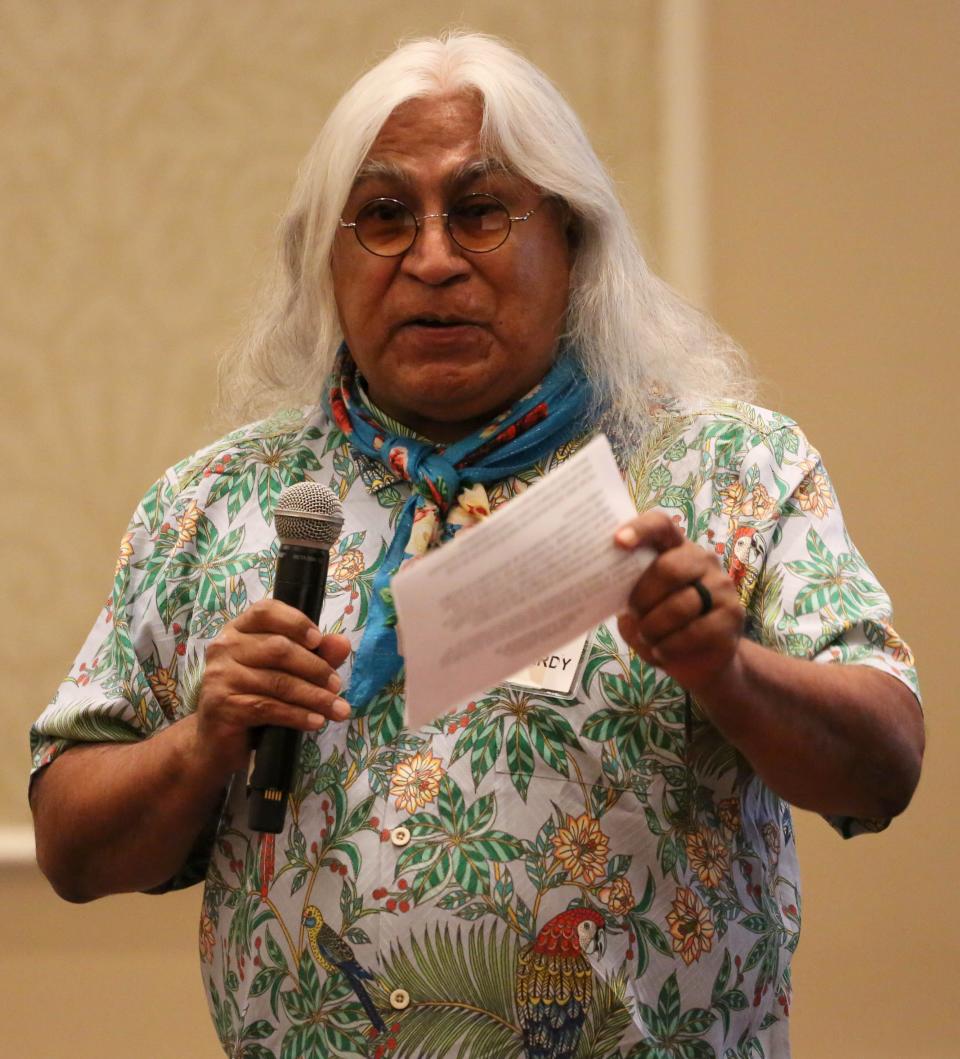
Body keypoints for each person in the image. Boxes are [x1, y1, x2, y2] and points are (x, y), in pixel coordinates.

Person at [30, 31, 923, 1059]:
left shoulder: (724, 470)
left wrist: (727, 671)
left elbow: (884, 765)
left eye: (481, 210)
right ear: (326, 258)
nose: (433, 257)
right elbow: (71, 847)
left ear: (574, 243)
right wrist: (204, 739)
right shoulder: (213, 504)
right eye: (382, 216)